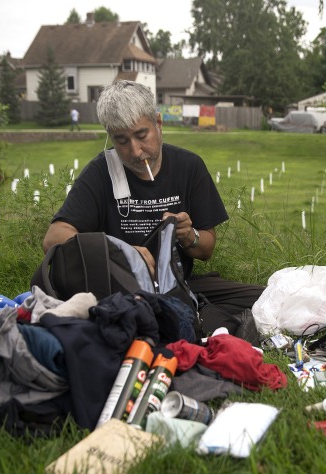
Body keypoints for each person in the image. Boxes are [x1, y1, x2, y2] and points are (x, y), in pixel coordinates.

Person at [43, 80, 263, 336]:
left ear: (158, 123)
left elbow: (206, 249)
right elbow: (53, 238)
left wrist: (188, 235)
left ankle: (194, 314)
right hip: (120, 287)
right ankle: (194, 320)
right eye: (121, 140)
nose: (135, 151)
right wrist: (117, 251)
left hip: (177, 282)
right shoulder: (102, 171)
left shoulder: (189, 167)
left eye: (141, 135)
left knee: (260, 297)